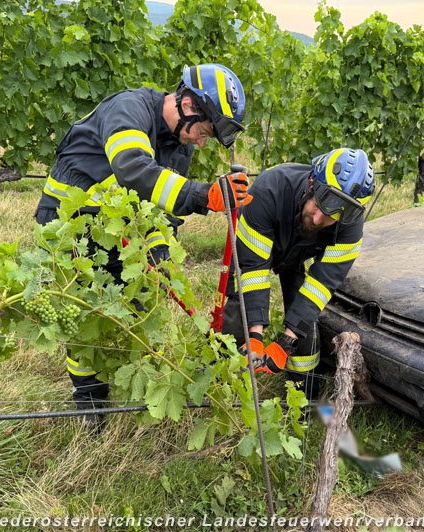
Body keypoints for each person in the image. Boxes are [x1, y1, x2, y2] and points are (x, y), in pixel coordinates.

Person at [34, 64, 250, 425]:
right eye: (203, 131)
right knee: (84, 317)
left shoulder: (180, 146)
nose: (201, 141)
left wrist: (161, 258)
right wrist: (201, 195)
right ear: (186, 104)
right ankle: (89, 402)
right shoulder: (129, 109)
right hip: (68, 224)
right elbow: (132, 169)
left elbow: (161, 210)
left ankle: (119, 376)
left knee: (131, 307)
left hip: (118, 228)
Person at [222, 148, 375, 399]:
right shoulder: (269, 190)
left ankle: (302, 398)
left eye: (330, 216)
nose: (317, 220)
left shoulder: (350, 227)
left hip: (297, 258)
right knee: (237, 313)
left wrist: (286, 343)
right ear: (312, 184)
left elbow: (321, 284)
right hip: (260, 248)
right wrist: (255, 335)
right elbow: (254, 270)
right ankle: (223, 387)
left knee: (305, 324)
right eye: (317, 206)